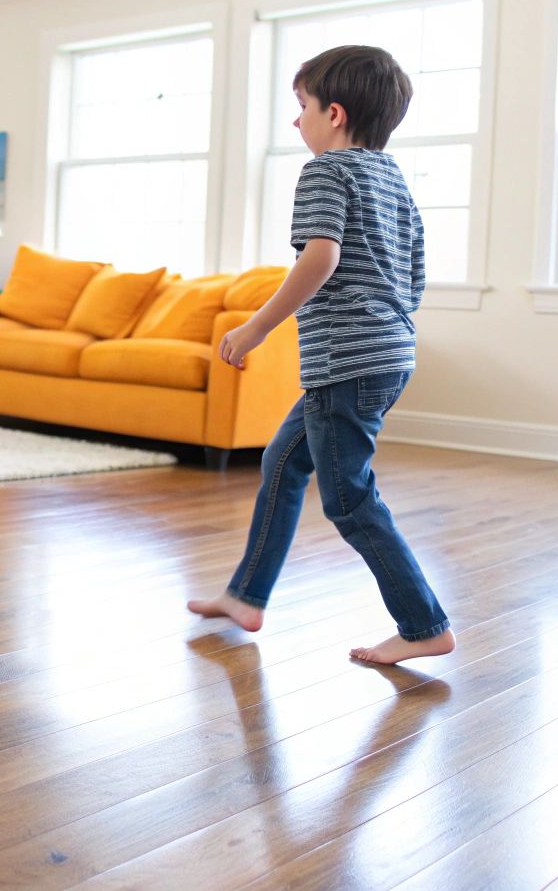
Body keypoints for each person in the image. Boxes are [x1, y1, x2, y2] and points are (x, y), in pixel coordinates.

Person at [187, 44, 452, 665]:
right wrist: (385, 327)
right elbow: (415, 272)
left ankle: (424, 624)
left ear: (333, 113)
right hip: (385, 353)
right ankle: (246, 596)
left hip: (348, 362)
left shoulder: (326, 172)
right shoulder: (389, 176)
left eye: (301, 106)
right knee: (283, 463)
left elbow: (320, 257)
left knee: (350, 499)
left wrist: (255, 328)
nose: (296, 120)